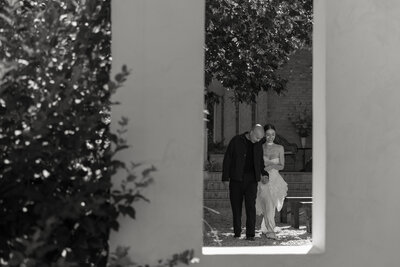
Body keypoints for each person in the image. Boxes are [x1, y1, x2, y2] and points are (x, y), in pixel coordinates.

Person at [222, 124, 269, 241]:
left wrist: (264, 174)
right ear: (251, 132)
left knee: (250, 207)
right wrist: (225, 178)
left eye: (260, 139)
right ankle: (237, 232)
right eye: (257, 138)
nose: (258, 140)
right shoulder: (236, 141)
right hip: (236, 179)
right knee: (236, 207)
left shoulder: (258, 144)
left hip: (251, 180)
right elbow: (227, 159)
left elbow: (260, 162)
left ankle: (250, 234)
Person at [256, 124, 288, 240]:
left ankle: (268, 229)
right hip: (263, 179)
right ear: (264, 135)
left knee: (271, 206)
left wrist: (273, 165)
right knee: (267, 204)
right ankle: (270, 230)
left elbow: (282, 166)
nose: (270, 137)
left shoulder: (280, 148)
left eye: (273, 134)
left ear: (275, 135)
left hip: (275, 179)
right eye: (268, 134)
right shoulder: (260, 147)